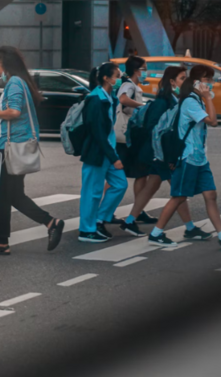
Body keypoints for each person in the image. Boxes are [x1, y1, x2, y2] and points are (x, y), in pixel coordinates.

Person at [147, 65, 221, 249]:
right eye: (207, 80)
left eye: (211, 79)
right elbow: (213, 121)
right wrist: (207, 97)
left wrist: (207, 96)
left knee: (210, 194)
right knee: (179, 197)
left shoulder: (197, 99)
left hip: (199, 158)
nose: (211, 83)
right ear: (196, 82)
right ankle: (156, 233)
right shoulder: (190, 102)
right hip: (187, 158)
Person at [0, 47, 65, 255]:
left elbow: (14, 112)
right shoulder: (20, 82)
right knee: (14, 195)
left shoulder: (14, 82)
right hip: (16, 146)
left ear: (5, 63)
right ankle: (50, 223)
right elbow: (15, 113)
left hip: (8, 148)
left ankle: (2, 243)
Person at [121, 66, 205, 239]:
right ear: (172, 82)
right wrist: (166, 154)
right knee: (178, 191)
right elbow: (154, 129)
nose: (185, 81)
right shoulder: (163, 101)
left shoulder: (175, 99)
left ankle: (129, 221)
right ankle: (189, 228)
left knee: (152, 186)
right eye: (182, 78)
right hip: (162, 154)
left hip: (160, 154)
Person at [77, 62, 127, 244]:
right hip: (97, 153)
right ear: (106, 78)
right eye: (117, 75)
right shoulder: (95, 99)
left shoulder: (108, 97)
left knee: (120, 184)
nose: (119, 78)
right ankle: (86, 230)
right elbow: (97, 132)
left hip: (107, 151)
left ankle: (98, 220)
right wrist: (114, 158)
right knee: (92, 192)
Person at [113, 56, 151, 221]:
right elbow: (122, 100)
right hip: (124, 138)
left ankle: (139, 209)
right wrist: (143, 106)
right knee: (116, 175)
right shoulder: (128, 85)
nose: (146, 72)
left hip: (132, 136)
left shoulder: (134, 85)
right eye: (144, 68)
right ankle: (106, 210)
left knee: (141, 173)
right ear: (137, 70)